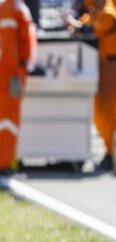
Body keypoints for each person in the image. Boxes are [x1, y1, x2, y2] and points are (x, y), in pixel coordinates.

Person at [69, 0, 116, 172]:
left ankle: (112, 155)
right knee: (99, 112)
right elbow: (85, 22)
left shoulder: (108, 12)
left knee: (107, 112)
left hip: (111, 65)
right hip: (102, 66)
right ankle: (109, 152)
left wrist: (78, 26)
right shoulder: (96, 10)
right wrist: (75, 24)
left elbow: (92, 30)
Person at [0, 0, 35, 175]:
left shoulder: (11, 6)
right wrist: (16, 71)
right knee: (7, 118)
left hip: (12, 69)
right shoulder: (10, 7)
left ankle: (4, 161)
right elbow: (8, 45)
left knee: (8, 117)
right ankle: (2, 163)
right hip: (12, 71)